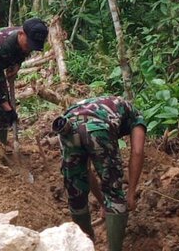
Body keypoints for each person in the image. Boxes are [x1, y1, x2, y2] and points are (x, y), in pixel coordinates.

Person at [52, 96, 146, 251]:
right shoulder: (136, 116)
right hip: (99, 128)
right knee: (114, 193)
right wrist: (130, 194)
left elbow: (86, 171)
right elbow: (137, 151)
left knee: (75, 190)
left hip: (67, 126)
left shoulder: (96, 103)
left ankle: (85, 245)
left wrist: (103, 203)